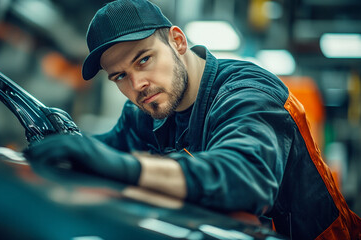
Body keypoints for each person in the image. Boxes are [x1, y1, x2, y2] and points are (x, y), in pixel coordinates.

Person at [24, 0, 361, 239]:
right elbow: (99, 153)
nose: (137, 85)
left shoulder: (248, 92)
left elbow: (244, 179)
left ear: (178, 41)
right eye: (120, 77)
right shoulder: (145, 112)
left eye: (143, 60)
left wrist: (127, 168)